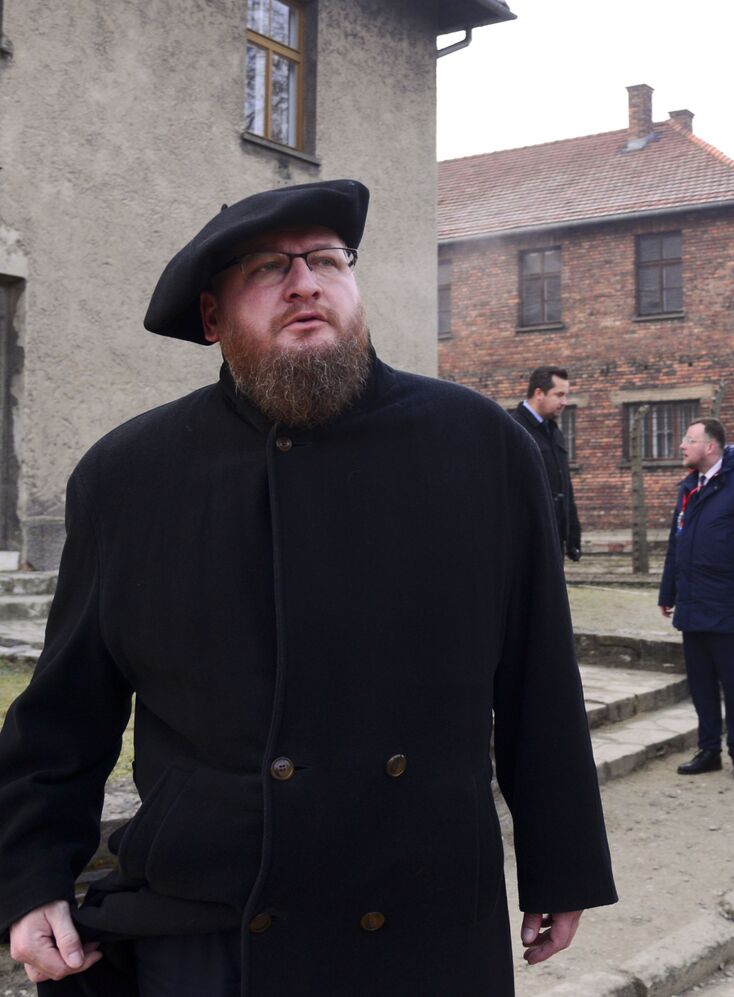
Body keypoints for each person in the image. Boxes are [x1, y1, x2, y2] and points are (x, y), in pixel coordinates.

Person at [0, 180, 616, 995]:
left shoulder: (481, 445)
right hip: (212, 923)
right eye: (267, 268)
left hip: (425, 914)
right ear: (212, 318)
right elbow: (66, 710)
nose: (304, 283)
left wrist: (560, 860)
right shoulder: (128, 476)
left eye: (326, 260)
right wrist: (31, 878)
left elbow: (538, 674)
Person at [659, 418, 734, 783]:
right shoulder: (689, 487)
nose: (682, 445)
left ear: (710, 447)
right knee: (701, 684)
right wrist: (667, 592)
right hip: (692, 603)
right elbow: (676, 543)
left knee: (733, 685)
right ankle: (709, 750)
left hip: (727, 603)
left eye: (689, 439)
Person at [511, 366, 582, 562]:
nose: (564, 402)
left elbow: (565, 486)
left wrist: (573, 535)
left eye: (566, 395)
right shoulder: (515, 429)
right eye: (559, 395)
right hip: (527, 538)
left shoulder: (554, 432)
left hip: (555, 536)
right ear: (539, 394)